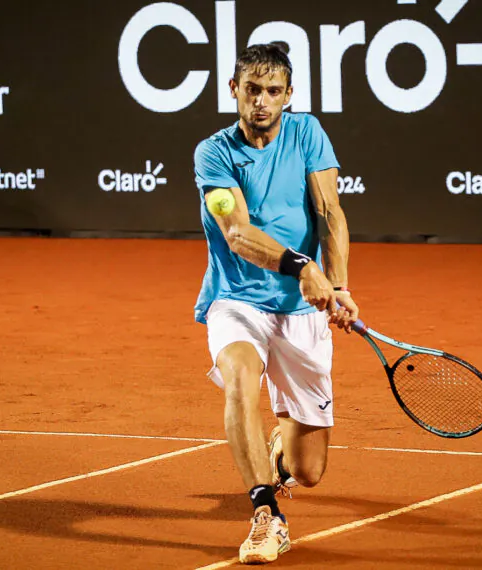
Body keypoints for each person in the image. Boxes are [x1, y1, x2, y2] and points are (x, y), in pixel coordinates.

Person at [193, 42, 359, 565]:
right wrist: (302, 267)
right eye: (251, 90)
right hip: (236, 299)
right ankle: (267, 514)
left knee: (310, 471)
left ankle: (281, 462)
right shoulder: (212, 153)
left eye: (272, 91)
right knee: (241, 379)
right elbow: (238, 233)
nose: (261, 101)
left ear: (288, 95)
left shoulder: (307, 132)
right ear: (233, 92)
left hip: (301, 312)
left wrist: (340, 285)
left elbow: (329, 212)